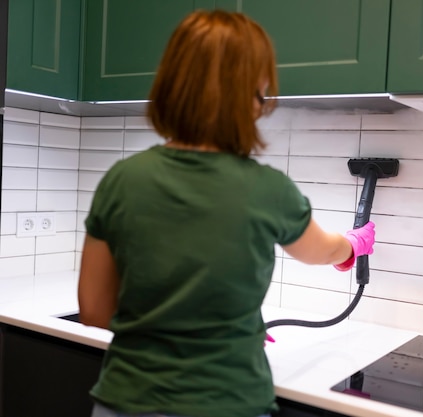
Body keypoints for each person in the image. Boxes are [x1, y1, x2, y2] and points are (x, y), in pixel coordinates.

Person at [77, 9, 375, 417]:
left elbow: (94, 309)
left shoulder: (122, 180)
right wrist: (353, 246)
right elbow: (321, 251)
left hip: (127, 401)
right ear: (249, 98)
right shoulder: (268, 189)